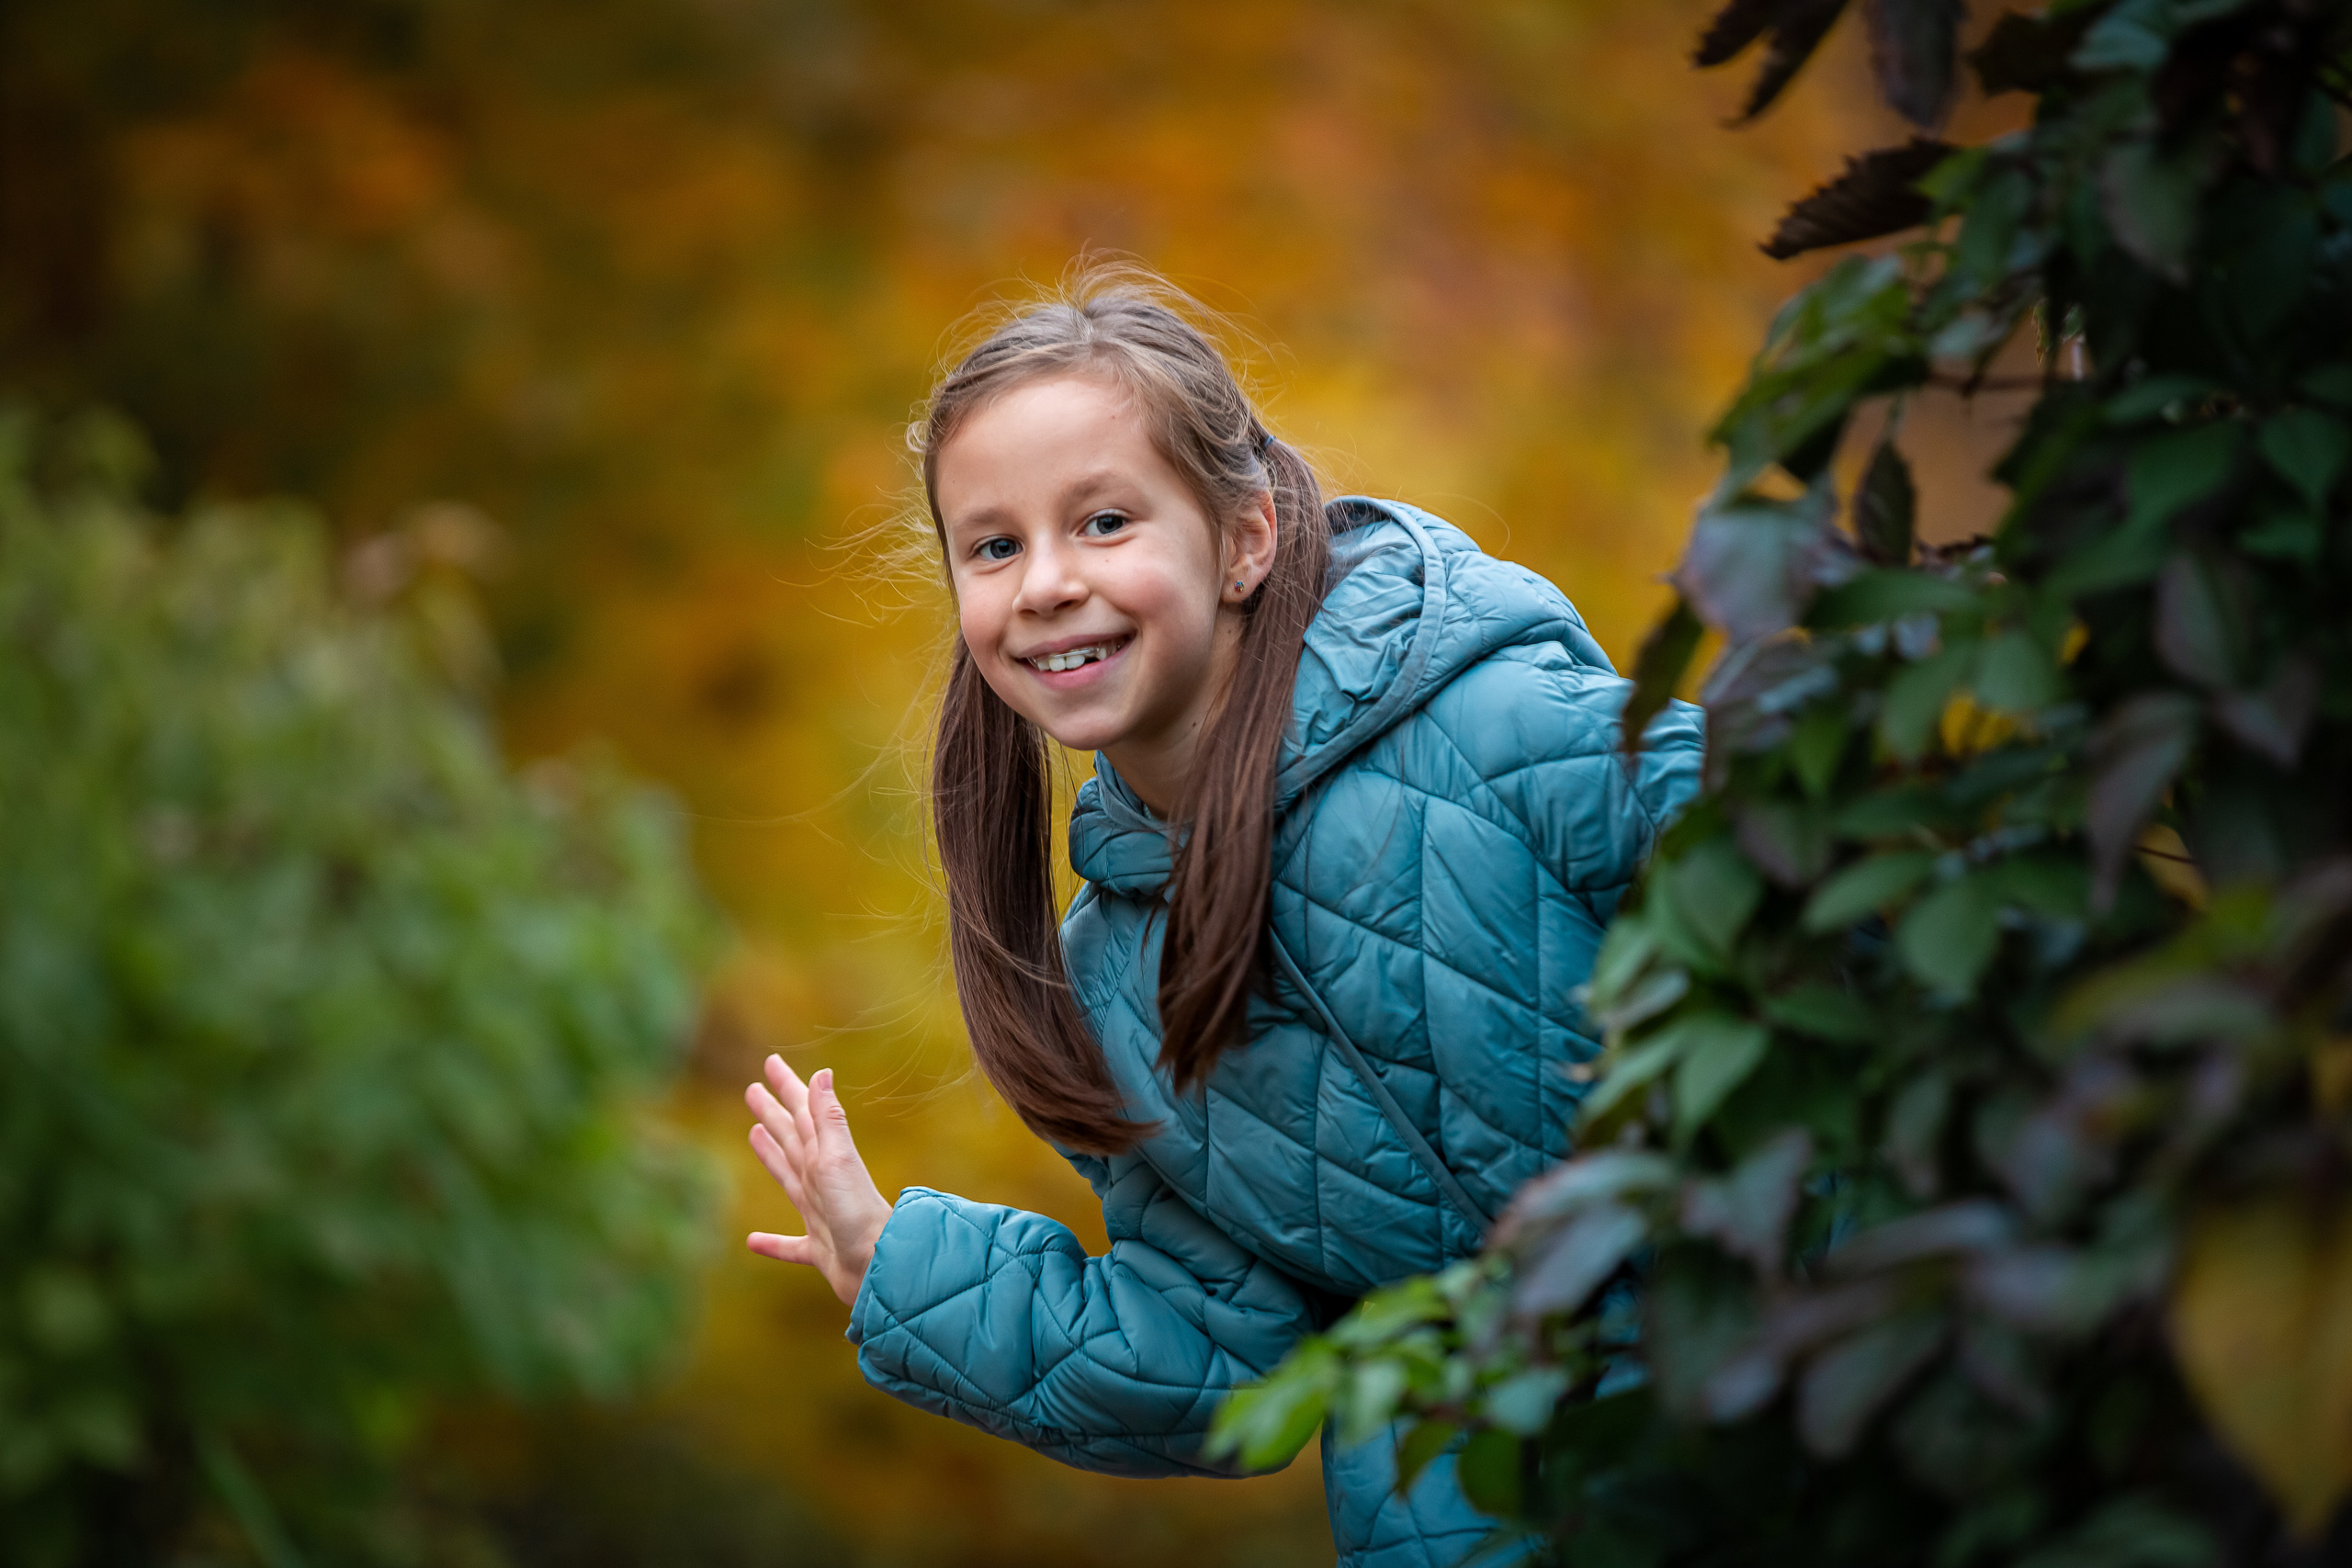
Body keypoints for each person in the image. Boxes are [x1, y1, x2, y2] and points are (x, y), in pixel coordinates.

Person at [741, 265, 1703, 1568]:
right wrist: (903, 1269)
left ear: (1245, 539)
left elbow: (1832, 890)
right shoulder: (1109, 985)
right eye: (995, 546)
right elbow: (1223, 1360)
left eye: (1103, 522)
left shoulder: (1496, 729)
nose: (1044, 583)